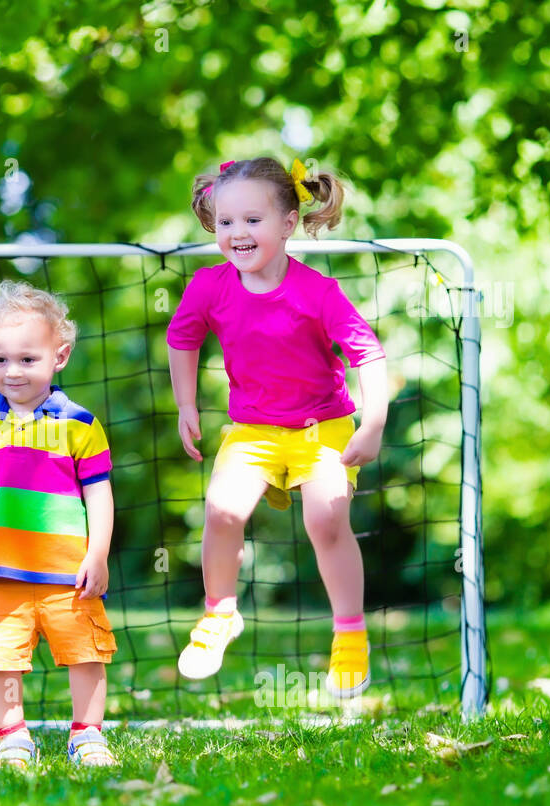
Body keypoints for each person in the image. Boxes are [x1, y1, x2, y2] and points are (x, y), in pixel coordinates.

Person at [167, 157, 389, 698]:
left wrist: (374, 420)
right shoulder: (208, 287)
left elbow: (368, 354)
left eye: (251, 221)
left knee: (327, 518)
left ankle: (350, 635)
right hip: (253, 430)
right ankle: (220, 613)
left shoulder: (319, 292)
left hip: (323, 428)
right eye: (225, 223)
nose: (236, 233)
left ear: (288, 223)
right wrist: (186, 405)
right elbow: (182, 339)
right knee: (221, 510)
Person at [0, 280, 119, 767]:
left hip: (69, 574)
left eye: (27, 359)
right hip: (0, 571)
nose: (12, 371)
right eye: (0, 359)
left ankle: (87, 735)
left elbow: (99, 493)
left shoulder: (79, 425)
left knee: (86, 653)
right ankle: (13, 737)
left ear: (59, 356)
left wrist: (97, 554)